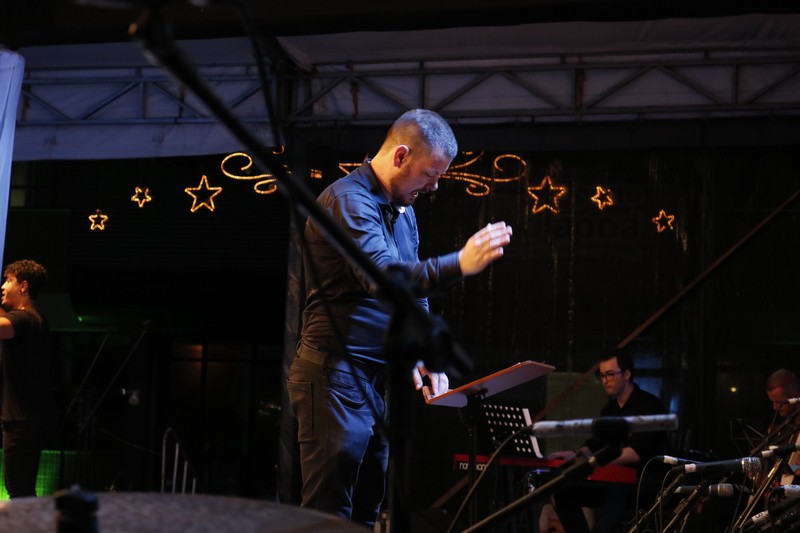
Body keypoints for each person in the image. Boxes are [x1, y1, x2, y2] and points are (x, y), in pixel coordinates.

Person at [286, 109, 513, 527]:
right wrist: (459, 263)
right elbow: (386, 279)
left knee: (367, 510)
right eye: (430, 174)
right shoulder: (348, 200)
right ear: (401, 156)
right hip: (334, 377)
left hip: (376, 382)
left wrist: (423, 349)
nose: (435, 186)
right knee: (329, 515)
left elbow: (412, 293)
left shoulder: (404, 212)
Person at [548, 350, 667, 533]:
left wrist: (593, 461)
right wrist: (574, 455)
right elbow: (595, 444)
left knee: (616, 490)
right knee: (564, 492)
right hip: (614, 479)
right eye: (602, 375)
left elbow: (635, 453)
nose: (604, 380)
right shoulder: (609, 409)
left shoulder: (649, 405)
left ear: (626, 374)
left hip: (646, 480)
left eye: (610, 374)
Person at [0, 259, 58, 498]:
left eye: (8, 281)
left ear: (23, 286)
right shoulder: (34, 318)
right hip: (27, 419)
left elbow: (5, 326)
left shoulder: (25, 318)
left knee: (20, 491)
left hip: (22, 421)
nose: (3, 286)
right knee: (20, 489)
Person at [764, 368, 800, 484]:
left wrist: (795, 470)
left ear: (796, 397)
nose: (775, 407)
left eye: (779, 402)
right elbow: (792, 468)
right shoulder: (784, 430)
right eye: (772, 402)